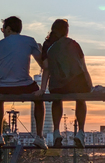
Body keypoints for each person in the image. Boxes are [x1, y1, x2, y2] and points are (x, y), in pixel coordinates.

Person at [0, 16, 46, 149]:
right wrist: (40, 49)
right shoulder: (29, 41)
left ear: (8, 29)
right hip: (24, 84)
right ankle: (39, 136)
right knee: (39, 99)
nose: (2, 31)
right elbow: (43, 64)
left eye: (3, 29)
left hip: (2, 86)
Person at [36, 19, 93, 148]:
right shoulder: (74, 44)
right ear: (66, 31)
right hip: (78, 83)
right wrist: (90, 85)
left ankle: (56, 132)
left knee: (57, 100)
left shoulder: (48, 44)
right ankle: (80, 132)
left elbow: (46, 68)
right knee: (81, 99)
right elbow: (83, 66)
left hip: (58, 84)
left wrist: (42, 88)